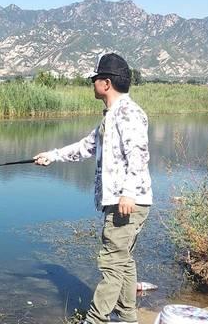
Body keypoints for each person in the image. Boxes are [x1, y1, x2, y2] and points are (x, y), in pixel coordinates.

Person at [33, 53, 152, 324]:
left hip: (128, 201)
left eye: (95, 78)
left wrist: (128, 192)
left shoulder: (129, 113)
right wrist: (52, 155)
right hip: (123, 200)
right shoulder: (111, 116)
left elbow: (139, 154)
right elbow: (86, 147)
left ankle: (96, 320)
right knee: (123, 260)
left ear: (106, 83)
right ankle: (127, 318)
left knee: (111, 262)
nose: (93, 83)